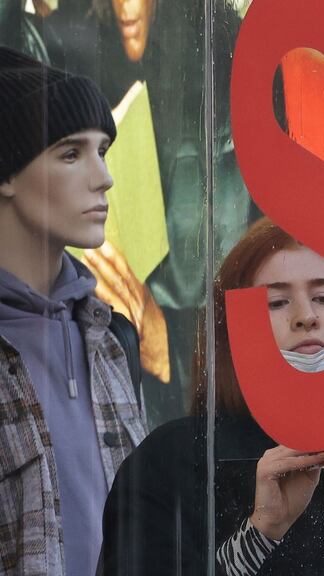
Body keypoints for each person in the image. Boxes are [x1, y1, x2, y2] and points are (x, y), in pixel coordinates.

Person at [98, 218, 324, 576]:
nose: (305, 316)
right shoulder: (174, 459)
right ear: (231, 328)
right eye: (277, 302)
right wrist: (261, 532)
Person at [0, 47, 147, 576]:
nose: (103, 177)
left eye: (102, 151)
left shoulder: (116, 341)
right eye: (70, 153)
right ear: (6, 174)